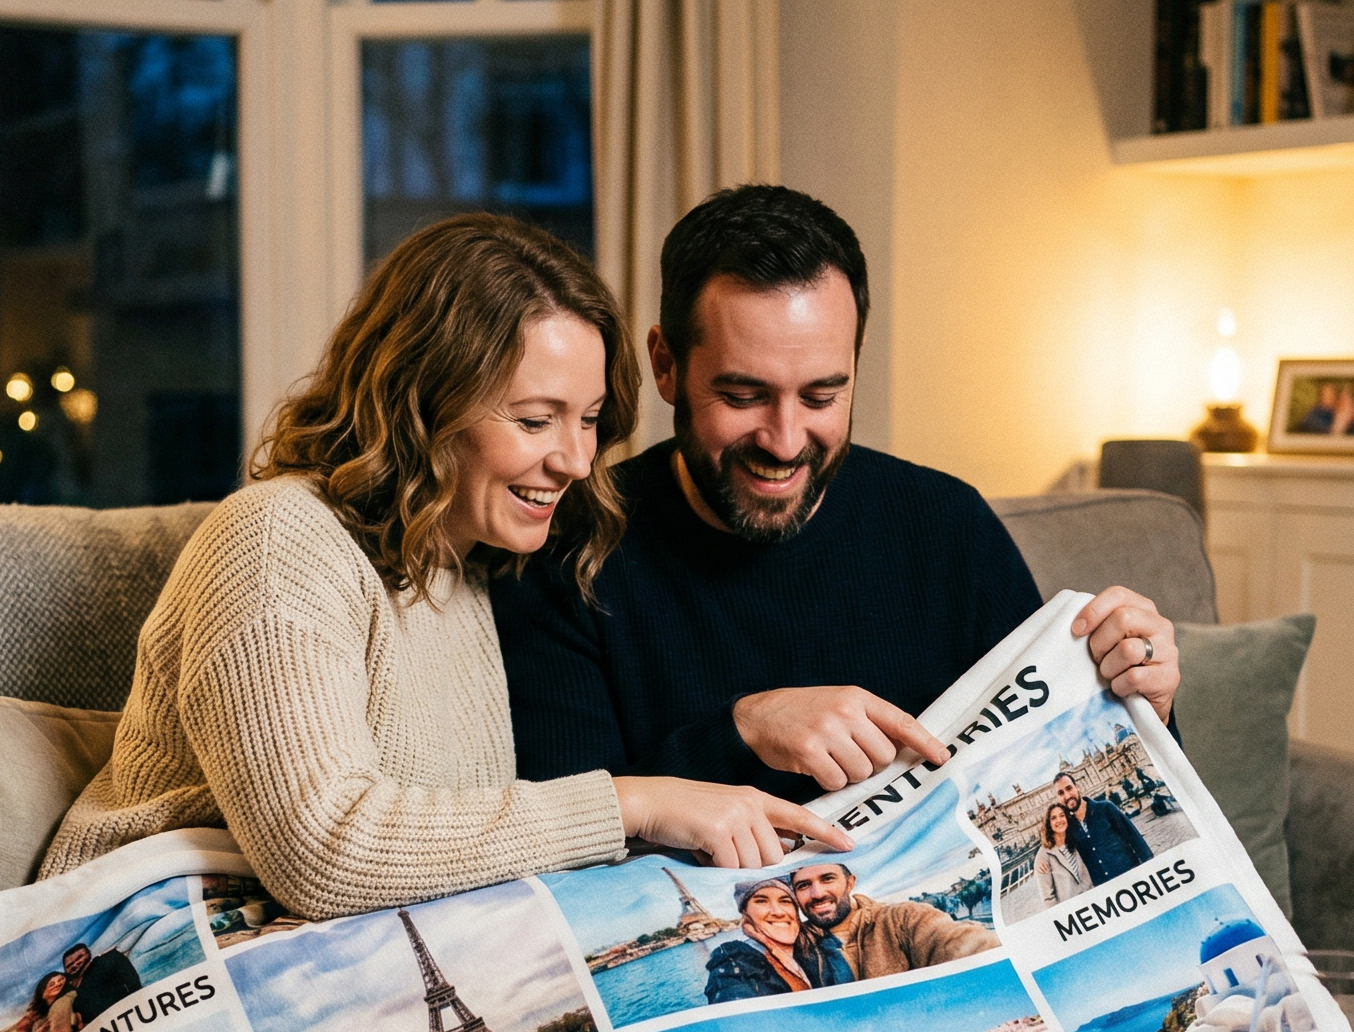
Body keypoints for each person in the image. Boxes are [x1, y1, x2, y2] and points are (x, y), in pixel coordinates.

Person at [34, 214, 847, 913]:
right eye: (536, 420)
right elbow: (324, 853)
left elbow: (466, 849)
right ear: (422, 405)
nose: (574, 459)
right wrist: (633, 803)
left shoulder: (468, 570)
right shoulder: (279, 539)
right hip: (134, 961)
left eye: (590, 419)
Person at [495, 186, 1180, 804]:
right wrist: (742, 733)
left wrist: (1141, 700)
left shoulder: (946, 527)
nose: (786, 440)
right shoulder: (567, 541)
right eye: (743, 395)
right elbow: (568, 834)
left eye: (823, 394)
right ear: (666, 365)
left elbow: (1057, 772)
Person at [788, 862, 995, 983]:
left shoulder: (902, 918)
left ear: (850, 883)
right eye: (804, 885)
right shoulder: (791, 943)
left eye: (827, 879)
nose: (817, 894)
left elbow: (961, 943)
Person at [701, 874, 817, 1003]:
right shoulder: (735, 962)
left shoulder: (813, 950)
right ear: (745, 913)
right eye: (761, 901)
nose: (778, 912)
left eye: (785, 901)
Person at [1052, 771, 1152, 884]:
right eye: (1061, 793)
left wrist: (1151, 868)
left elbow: (1135, 839)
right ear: (1058, 798)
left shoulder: (1106, 808)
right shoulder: (1069, 829)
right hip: (1106, 890)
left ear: (1077, 787)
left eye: (1069, 788)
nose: (1067, 796)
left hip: (1133, 878)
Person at [1032, 801, 1094, 908]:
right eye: (1053, 818)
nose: (1059, 820)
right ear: (1048, 824)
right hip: (1073, 911)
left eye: (1062, 815)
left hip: (1093, 900)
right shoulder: (1043, 857)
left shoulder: (1074, 842)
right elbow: (1048, 898)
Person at [68, 942, 144, 1023]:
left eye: (79, 957)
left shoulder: (109, 959)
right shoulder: (73, 997)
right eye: (70, 965)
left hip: (132, 1013)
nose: (75, 964)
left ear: (88, 954)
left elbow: (132, 981)